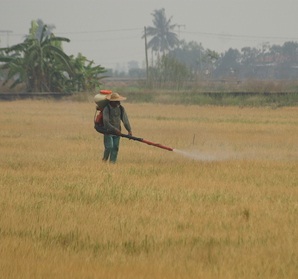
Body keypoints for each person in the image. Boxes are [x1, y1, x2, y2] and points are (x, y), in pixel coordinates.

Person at [102, 92, 132, 163]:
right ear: (112, 102)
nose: (118, 103)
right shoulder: (106, 109)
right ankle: (104, 161)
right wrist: (115, 129)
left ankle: (112, 163)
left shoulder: (121, 108)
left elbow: (125, 120)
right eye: (116, 101)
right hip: (108, 132)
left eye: (118, 101)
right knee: (109, 147)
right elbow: (106, 122)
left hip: (117, 133)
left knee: (115, 148)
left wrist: (129, 130)